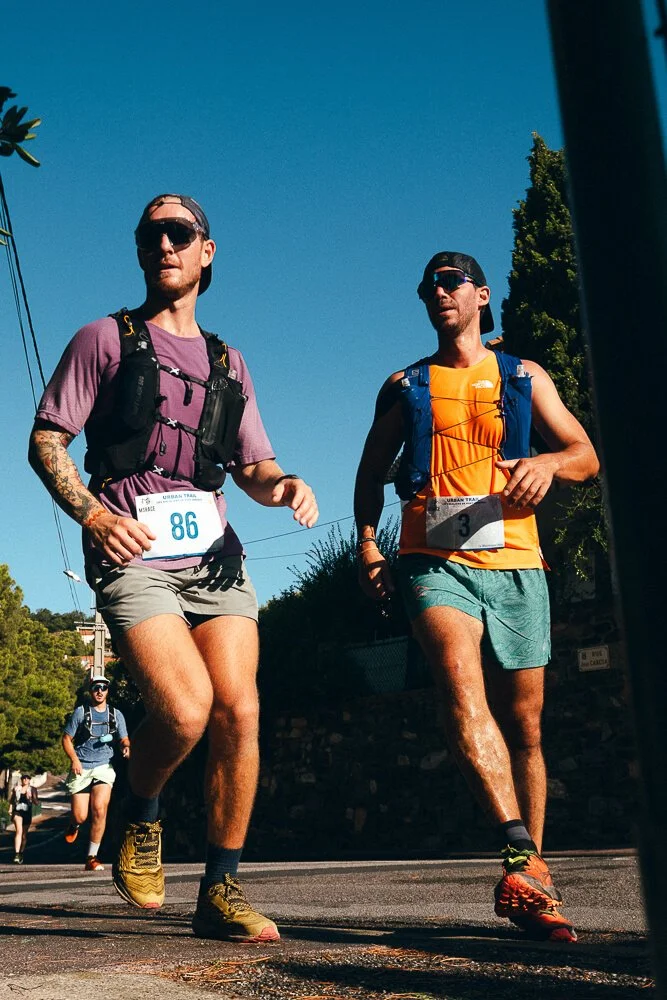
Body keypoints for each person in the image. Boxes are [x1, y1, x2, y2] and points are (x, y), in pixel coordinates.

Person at [29, 193, 318, 942]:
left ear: (206, 250)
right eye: (150, 233)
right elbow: (47, 440)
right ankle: (142, 806)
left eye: (178, 232)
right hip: (135, 553)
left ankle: (219, 892)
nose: (163, 243)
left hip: (215, 557)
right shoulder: (104, 338)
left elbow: (255, 465)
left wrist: (283, 485)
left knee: (239, 712)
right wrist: (92, 513)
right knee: (184, 710)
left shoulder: (229, 361)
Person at [354, 251, 599, 942]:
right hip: (431, 556)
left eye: (449, 281)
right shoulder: (405, 386)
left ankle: (533, 880)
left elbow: (584, 454)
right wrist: (370, 547)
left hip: (516, 559)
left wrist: (547, 463)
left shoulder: (522, 374)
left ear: (479, 295)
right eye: (426, 284)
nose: (435, 292)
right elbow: (369, 475)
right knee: (461, 688)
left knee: (526, 723)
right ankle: (517, 848)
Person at [62, 674, 130, 870]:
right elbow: (66, 739)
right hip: (82, 766)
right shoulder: (80, 713)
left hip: (103, 766)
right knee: (81, 816)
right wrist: (74, 759)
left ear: (108, 690)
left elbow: (124, 738)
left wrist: (126, 747)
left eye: (104, 687)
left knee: (100, 809)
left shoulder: (116, 715)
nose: (100, 691)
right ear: (90, 691)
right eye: (96, 688)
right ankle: (74, 825)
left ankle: (92, 857)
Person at [10, 774, 38, 863]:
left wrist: (30, 798)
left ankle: (21, 853)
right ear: (21, 780)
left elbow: (36, 802)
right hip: (17, 812)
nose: (25, 780)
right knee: (19, 831)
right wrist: (10, 809)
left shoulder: (33, 789)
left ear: (29, 780)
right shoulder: (17, 788)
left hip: (27, 812)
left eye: (27, 778)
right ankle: (16, 854)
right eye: (23, 778)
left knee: (24, 835)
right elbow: (12, 800)